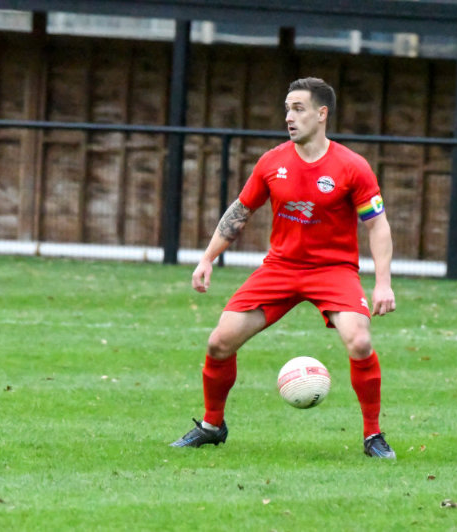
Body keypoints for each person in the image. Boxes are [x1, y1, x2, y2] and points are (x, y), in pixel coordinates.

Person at [170, 77, 397, 458]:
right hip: (280, 268)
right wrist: (207, 258)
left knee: (359, 342)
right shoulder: (272, 162)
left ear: (321, 114)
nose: (289, 117)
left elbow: (378, 225)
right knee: (219, 342)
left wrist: (383, 283)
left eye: (298, 109)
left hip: (333, 271)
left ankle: (373, 436)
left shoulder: (352, 167)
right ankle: (211, 426)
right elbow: (240, 212)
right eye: (287, 109)